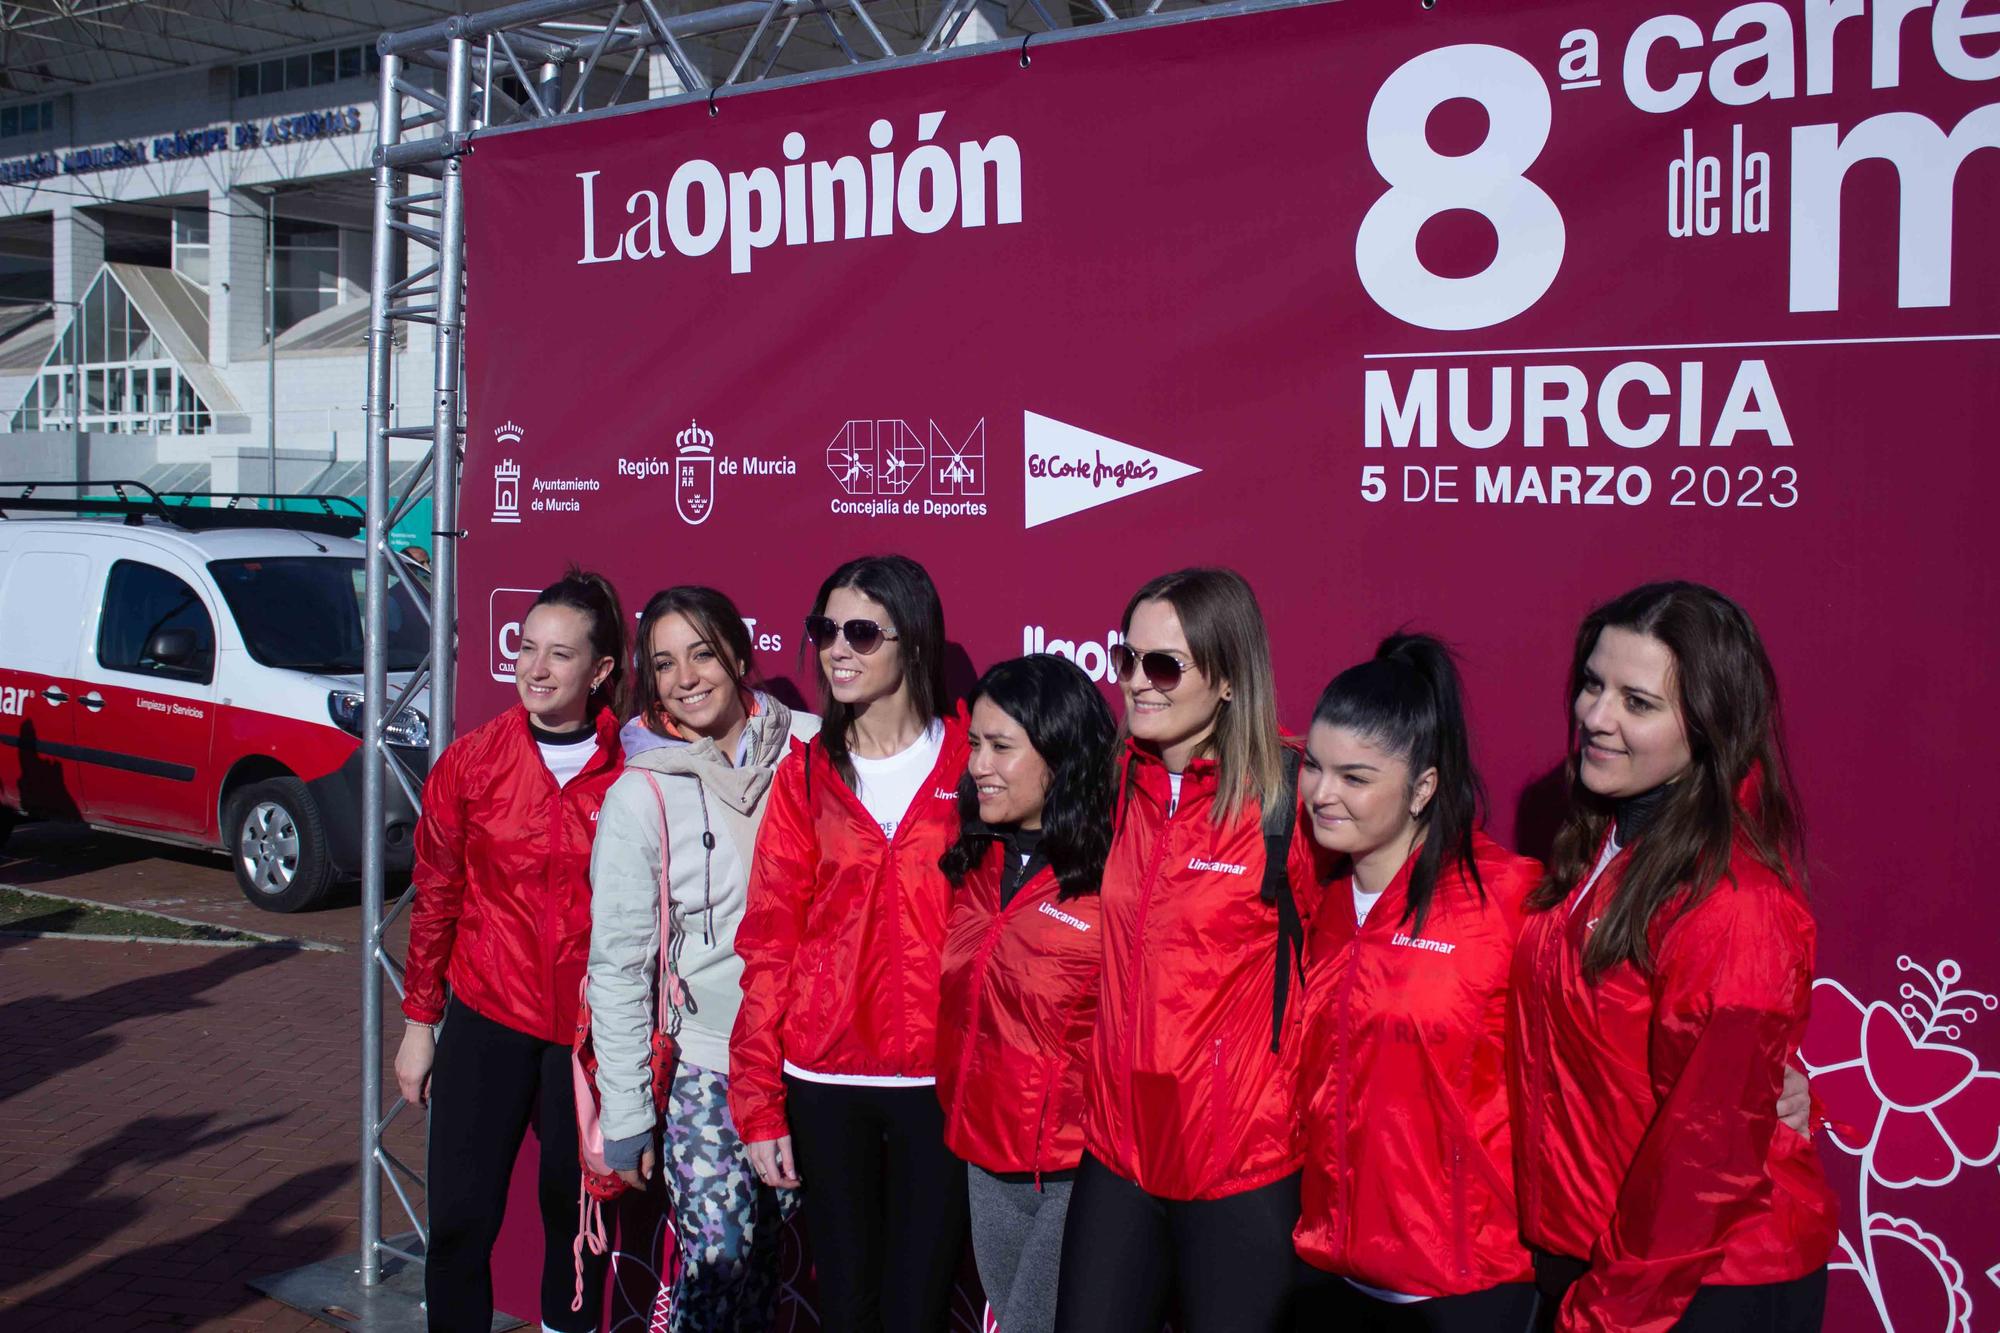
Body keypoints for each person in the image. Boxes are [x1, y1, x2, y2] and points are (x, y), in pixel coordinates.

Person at [1509, 581, 1838, 1333]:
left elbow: (1705, 1159)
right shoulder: (1601, 835)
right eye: (1593, 684)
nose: (1595, 716)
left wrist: (1606, 1315)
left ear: (1712, 725)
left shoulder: (1733, 903)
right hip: (1597, 1261)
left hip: (1696, 1288)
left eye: (1638, 701)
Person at [1052, 566, 1320, 1333]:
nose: (1137, 681)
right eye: (1125, 657)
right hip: (1120, 1152)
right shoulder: (1113, 785)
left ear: (1230, 678)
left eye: (1163, 664)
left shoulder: (1291, 796)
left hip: (1239, 1162)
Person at [728, 553, 972, 1333]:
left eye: (862, 631)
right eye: (824, 628)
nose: (838, 647)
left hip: (942, 1081)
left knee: (919, 1306)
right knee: (847, 1305)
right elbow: (768, 942)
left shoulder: (974, 764)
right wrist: (760, 1103)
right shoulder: (805, 776)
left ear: (913, 643)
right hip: (825, 1078)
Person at [395, 568, 627, 1333]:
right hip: (488, 1016)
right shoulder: (472, 761)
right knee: (460, 1216)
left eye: (559, 655)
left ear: (599, 672)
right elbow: (437, 897)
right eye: (527, 647)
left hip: (590, 1037)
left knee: (575, 1217)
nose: (535, 667)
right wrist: (420, 1023)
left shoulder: (636, 767)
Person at [1291, 635, 1543, 1332]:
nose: (1322, 793)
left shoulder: (1509, 900)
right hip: (1329, 1279)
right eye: (1314, 766)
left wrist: (1792, 1086)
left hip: (1465, 1290)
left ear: (1423, 787)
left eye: (1355, 776)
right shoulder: (1318, 897)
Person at [586, 586, 820, 1332]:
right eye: (663, 663)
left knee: (788, 1269)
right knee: (719, 1268)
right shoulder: (639, 795)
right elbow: (620, 967)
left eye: (702, 653)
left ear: (741, 656)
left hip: (812, 1056)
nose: (685, 676)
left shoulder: (816, 751)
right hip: (707, 1065)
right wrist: (625, 1114)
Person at [936, 656, 1117, 1333]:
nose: (979, 764)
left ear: (1061, 755)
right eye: (975, 744)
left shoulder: (1115, 876)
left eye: (1001, 747)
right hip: (985, 1155)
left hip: (1077, 1171)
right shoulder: (976, 859)